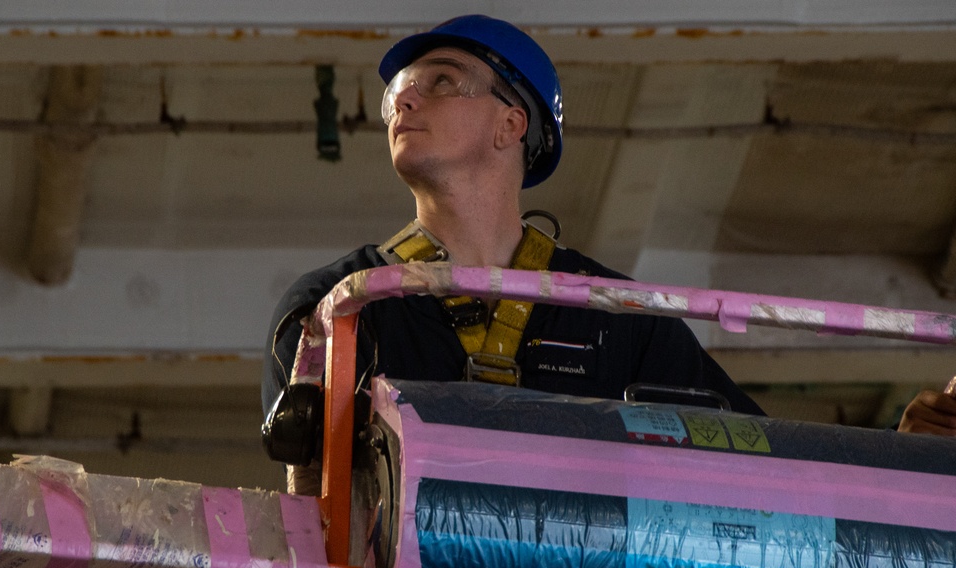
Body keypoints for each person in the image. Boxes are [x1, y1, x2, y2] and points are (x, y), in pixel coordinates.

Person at [262, 14, 765, 454]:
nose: (405, 103)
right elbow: (311, 505)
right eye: (398, 93)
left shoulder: (624, 321)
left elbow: (759, 456)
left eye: (440, 82)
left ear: (511, 124)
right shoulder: (330, 310)